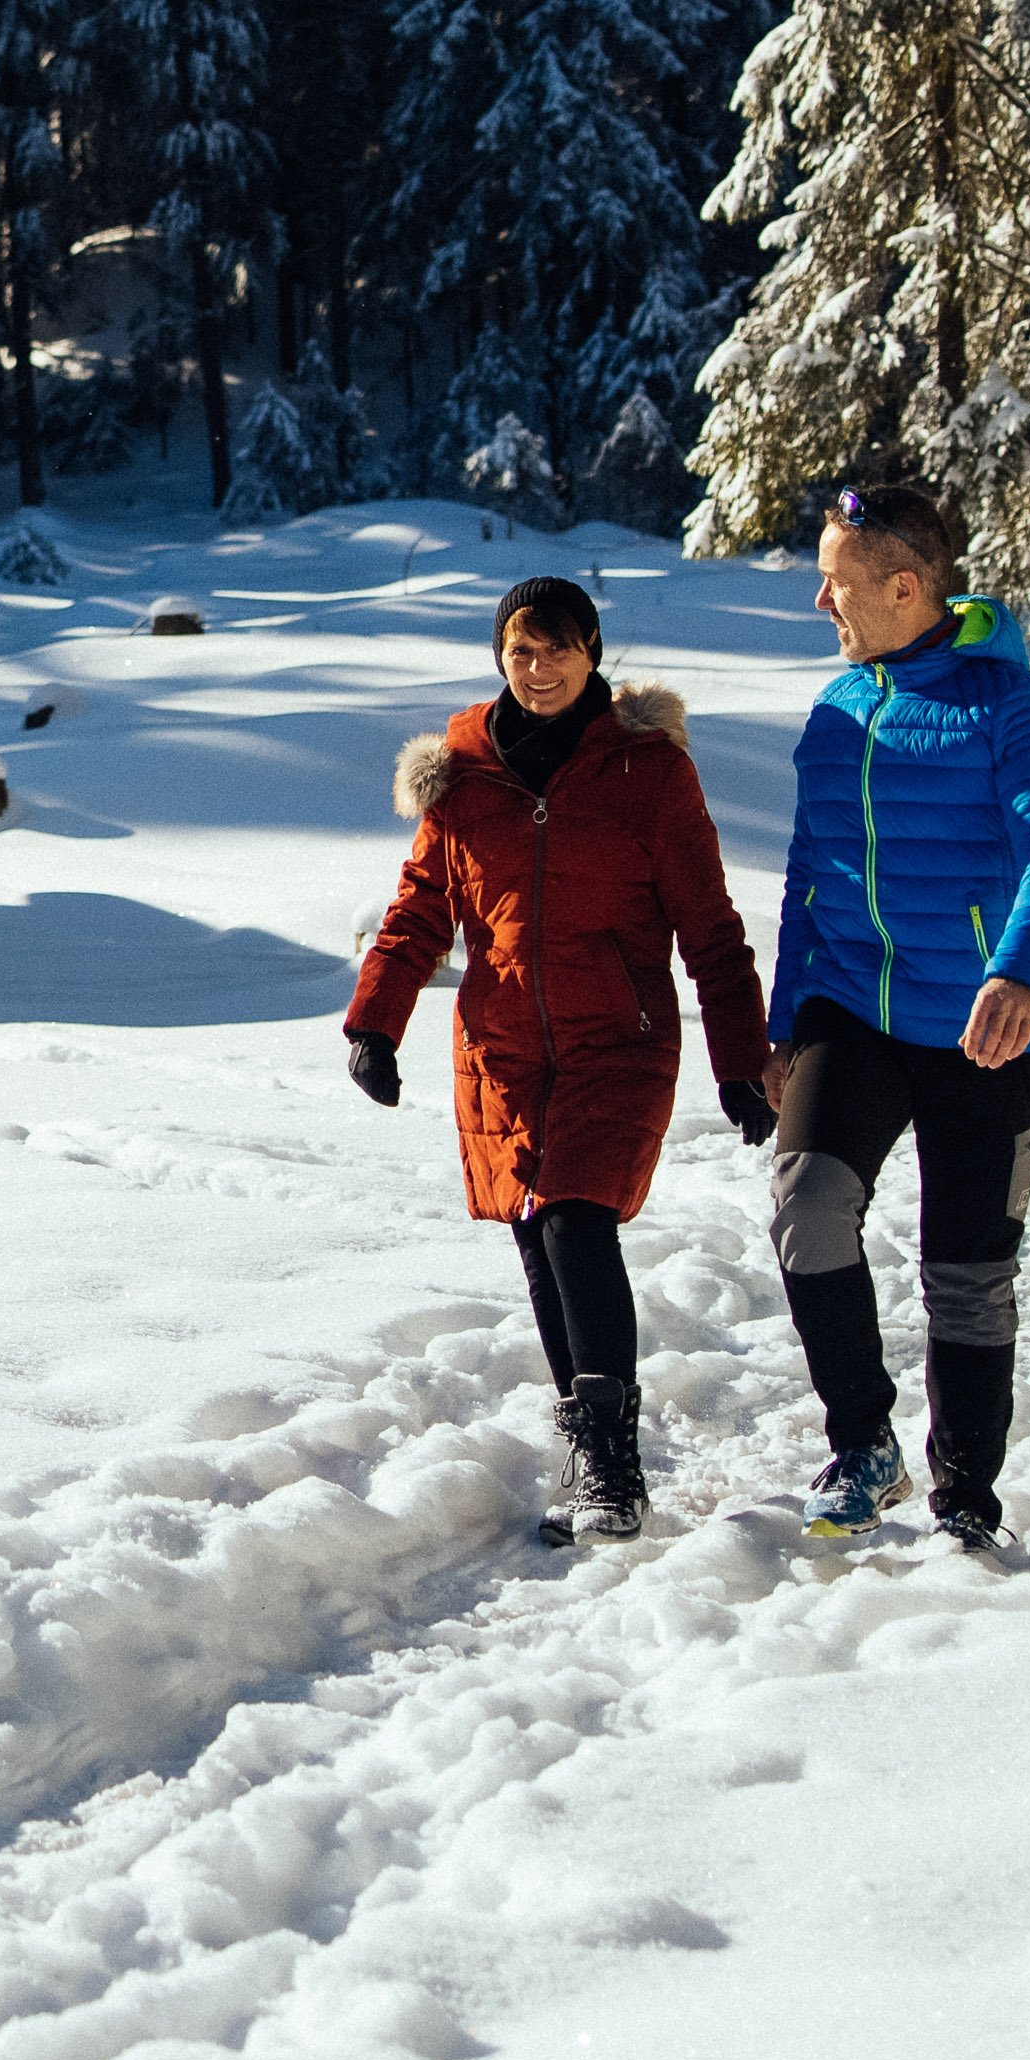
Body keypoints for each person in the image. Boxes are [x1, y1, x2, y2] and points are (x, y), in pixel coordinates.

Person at [343, 575, 772, 1544]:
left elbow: (708, 923)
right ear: (500, 657)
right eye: (521, 652)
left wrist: (742, 1058)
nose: (538, 670)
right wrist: (375, 1023)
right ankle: (587, 1446)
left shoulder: (647, 771)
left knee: (576, 1221)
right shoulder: (463, 777)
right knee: (536, 1238)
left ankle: (613, 1469)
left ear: (592, 654)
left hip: (619, 1038)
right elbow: (418, 911)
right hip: (500, 1048)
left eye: (558, 650)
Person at [765, 480, 1030, 1555]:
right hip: (852, 1010)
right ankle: (863, 1444)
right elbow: (809, 873)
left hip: (982, 1026)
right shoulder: (838, 708)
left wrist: (1020, 974)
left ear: (904, 587)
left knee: (967, 1275)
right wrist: (785, 1021)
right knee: (807, 1207)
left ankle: (966, 1495)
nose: (822, 600)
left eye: (836, 580)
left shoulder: (1011, 706)